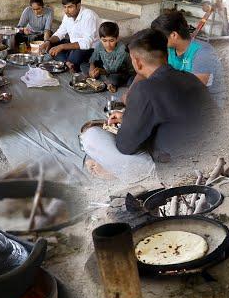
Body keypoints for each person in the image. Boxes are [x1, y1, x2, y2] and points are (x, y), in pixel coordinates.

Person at [80, 28, 214, 182]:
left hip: (174, 169)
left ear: (136, 61)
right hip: (206, 156)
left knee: (90, 136)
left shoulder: (144, 89)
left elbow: (125, 146)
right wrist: (129, 117)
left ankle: (130, 175)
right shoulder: (190, 78)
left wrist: (129, 121)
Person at [150, 10, 225, 108]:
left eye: (159, 37)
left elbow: (194, 90)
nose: (157, 41)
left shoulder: (203, 53)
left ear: (174, 35)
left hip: (207, 106)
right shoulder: (170, 49)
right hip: (181, 97)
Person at [39, 0, 99, 72]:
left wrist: (62, 47)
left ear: (78, 5)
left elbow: (87, 44)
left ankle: (68, 61)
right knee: (51, 44)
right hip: (73, 45)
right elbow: (60, 32)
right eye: (64, 7)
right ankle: (67, 62)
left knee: (74, 55)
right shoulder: (68, 15)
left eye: (70, 7)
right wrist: (48, 41)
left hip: (90, 49)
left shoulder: (89, 16)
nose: (66, 11)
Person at [80, 21, 134, 93]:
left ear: (117, 38)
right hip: (105, 70)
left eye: (111, 40)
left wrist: (99, 71)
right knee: (83, 65)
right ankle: (105, 82)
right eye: (104, 40)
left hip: (121, 73)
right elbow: (93, 58)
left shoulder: (122, 50)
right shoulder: (100, 45)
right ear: (100, 39)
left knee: (113, 79)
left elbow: (113, 70)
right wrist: (91, 69)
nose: (108, 44)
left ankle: (103, 81)